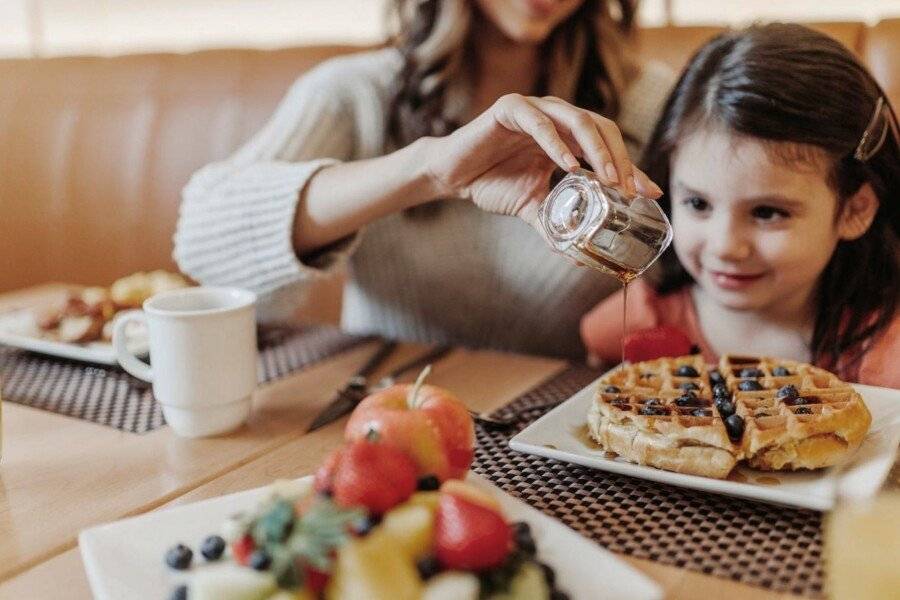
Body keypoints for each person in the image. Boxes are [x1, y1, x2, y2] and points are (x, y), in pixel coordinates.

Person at [174, 0, 675, 359]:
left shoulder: (653, 102)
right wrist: (430, 170)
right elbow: (206, 245)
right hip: (381, 414)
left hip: (569, 434)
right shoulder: (351, 95)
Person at [580, 23, 900, 387]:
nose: (726, 246)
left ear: (854, 211)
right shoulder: (640, 319)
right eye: (698, 203)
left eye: (767, 212)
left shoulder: (883, 355)